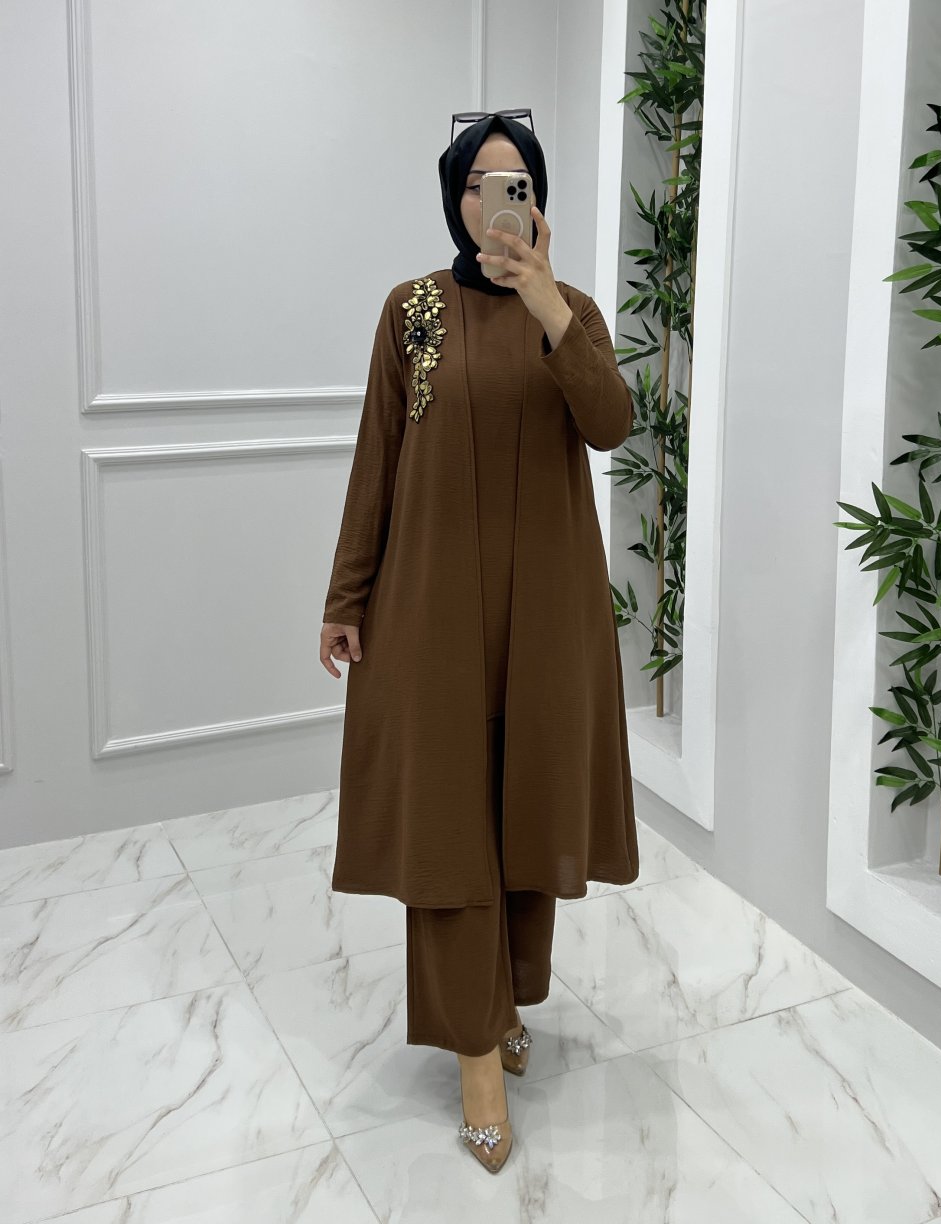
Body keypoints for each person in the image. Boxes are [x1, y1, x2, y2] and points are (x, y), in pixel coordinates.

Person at [318, 110, 639, 1174]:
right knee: (451, 825)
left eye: (516, 185)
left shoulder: (572, 312)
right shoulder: (409, 312)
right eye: (476, 184)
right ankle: (475, 1056)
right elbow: (377, 455)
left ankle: (503, 999)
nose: (494, 203)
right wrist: (347, 594)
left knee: (526, 810)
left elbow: (610, 424)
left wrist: (544, 301)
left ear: (538, 202)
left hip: (546, 619)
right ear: (453, 198)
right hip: (433, 616)